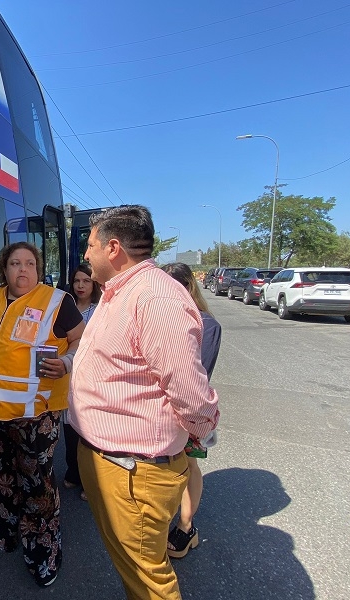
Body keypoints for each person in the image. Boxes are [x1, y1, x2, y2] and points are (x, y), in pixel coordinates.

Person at [69, 206, 219, 600]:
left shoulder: (154, 297)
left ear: (113, 248)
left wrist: (196, 437)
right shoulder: (119, 291)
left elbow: (190, 394)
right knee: (134, 570)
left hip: (134, 471)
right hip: (112, 462)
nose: (85, 256)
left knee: (148, 581)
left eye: (90, 245)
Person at [0, 241, 84, 587]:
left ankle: (43, 550)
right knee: (1, 475)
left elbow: (79, 339)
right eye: (15, 263)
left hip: (36, 414)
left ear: (39, 268)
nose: (23, 269)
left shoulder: (57, 302)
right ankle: (3, 530)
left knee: (36, 484)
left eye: (30, 263)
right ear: (5, 268)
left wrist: (68, 362)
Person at [160, 262, 222, 559]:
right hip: (158, 411)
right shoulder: (160, 317)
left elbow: (198, 377)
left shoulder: (206, 324)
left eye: (173, 289)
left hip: (188, 409)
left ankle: (186, 528)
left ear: (188, 288)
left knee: (189, 467)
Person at [62, 263, 101, 501]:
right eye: (77, 281)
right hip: (68, 377)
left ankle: (90, 479)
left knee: (88, 432)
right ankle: (74, 472)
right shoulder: (66, 307)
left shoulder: (100, 310)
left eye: (86, 281)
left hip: (91, 379)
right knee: (69, 429)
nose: (81, 286)